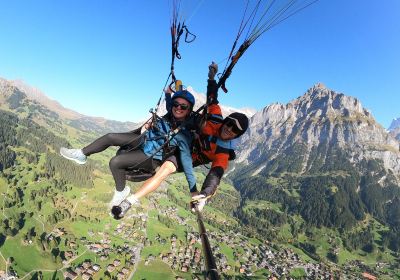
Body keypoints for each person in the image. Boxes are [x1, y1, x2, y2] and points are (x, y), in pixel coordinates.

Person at [112, 62, 249, 218]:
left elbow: (215, 174)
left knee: (164, 170)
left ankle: (129, 201)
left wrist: (204, 194)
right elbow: (212, 96)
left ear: (237, 136)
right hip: (184, 135)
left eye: (235, 131)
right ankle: (134, 162)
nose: (230, 129)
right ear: (225, 121)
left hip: (188, 156)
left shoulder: (222, 152)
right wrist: (211, 76)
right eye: (230, 124)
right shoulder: (215, 116)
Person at [60, 90, 197, 210]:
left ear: (189, 109)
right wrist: (168, 93)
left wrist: (193, 190)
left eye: (183, 106)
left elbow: (186, 161)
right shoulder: (171, 113)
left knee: (115, 162)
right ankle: (81, 154)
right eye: (176, 104)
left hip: (151, 157)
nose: (178, 108)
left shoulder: (184, 134)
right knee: (110, 137)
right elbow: (169, 103)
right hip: (143, 141)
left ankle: (121, 191)